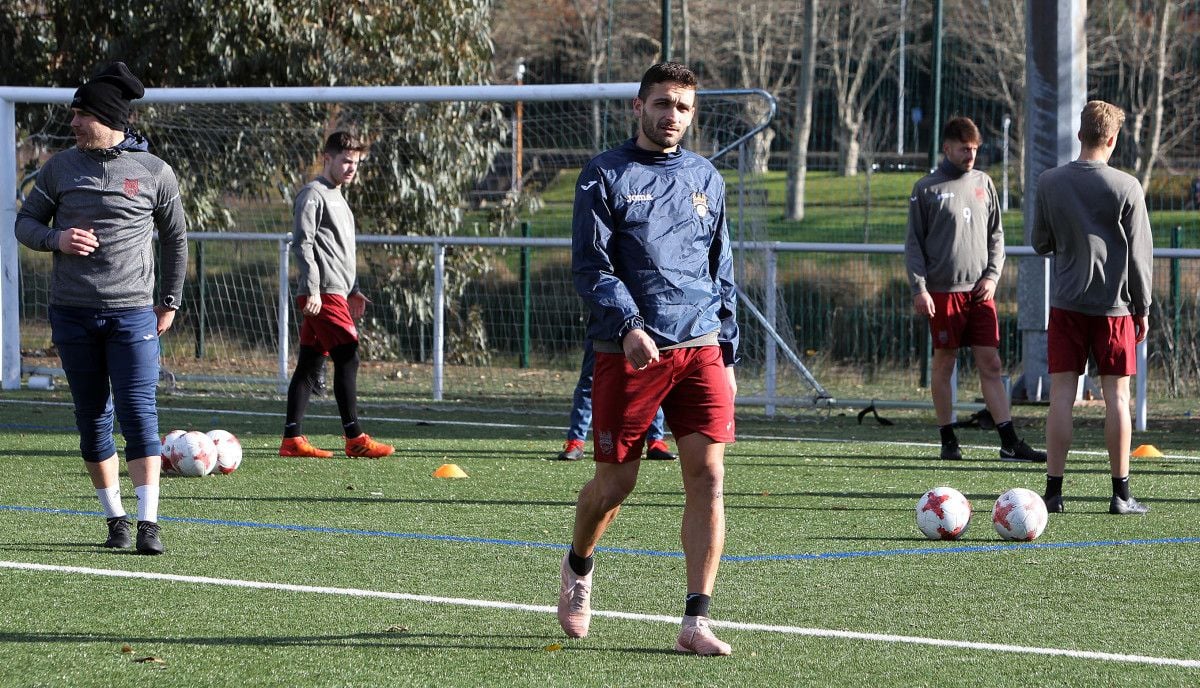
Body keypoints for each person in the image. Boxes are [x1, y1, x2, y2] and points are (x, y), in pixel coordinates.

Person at [558, 62, 738, 656]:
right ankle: (579, 566)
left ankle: (695, 621)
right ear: (638, 108)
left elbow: (721, 267)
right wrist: (629, 324)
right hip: (630, 352)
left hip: (700, 347)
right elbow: (592, 266)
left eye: (683, 107)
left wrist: (727, 346)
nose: (672, 116)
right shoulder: (603, 174)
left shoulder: (707, 178)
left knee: (708, 479)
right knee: (616, 483)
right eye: (662, 104)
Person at [15, 62, 186, 555]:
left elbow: (176, 239)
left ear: (107, 118)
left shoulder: (154, 172)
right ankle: (115, 518)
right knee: (92, 416)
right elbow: (25, 223)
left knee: (139, 413)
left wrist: (169, 301)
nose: (72, 124)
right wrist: (57, 238)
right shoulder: (59, 168)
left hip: (133, 314)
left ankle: (149, 521)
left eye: (80, 115)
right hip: (72, 313)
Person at [1031, 100, 1153, 515]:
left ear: (1080, 134)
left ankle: (1053, 492)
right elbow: (1140, 256)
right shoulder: (1127, 186)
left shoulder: (1049, 181)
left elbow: (1039, 242)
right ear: (1113, 140)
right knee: (1116, 397)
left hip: (1067, 302)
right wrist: (1143, 306)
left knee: (1062, 395)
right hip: (1115, 306)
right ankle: (1121, 494)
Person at [905, 116, 1046, 463]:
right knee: (945, 361)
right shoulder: (926, 189)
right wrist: (919, 288)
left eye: (975, 149)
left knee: (992, 362)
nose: (970, 155)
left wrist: (993, 276)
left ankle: (1009, 441)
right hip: (942, 292)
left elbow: (997, 235)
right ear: (947, 147)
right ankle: (947, 438)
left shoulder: (985, 182)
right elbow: (914, 245)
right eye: (964, 149)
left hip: (980, 292)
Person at [278, 131, 394, 459]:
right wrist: (313, 288)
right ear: (326, 158)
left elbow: (341, 251)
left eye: (355, 162)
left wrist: (353, 289)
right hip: (322, 292)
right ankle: (355, 438)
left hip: (336, 292)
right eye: (345, 160)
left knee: (310, 364)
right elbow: (303, 243)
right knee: (348, 356)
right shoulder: (313, 193)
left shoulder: (339, 197)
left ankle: (292, 440)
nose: (350, 167)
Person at [556, 340, 676, 461]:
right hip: (606, 331)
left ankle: (655, 441)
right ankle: (575, 442)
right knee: (590, 381)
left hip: (645, 330)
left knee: (651, 381)